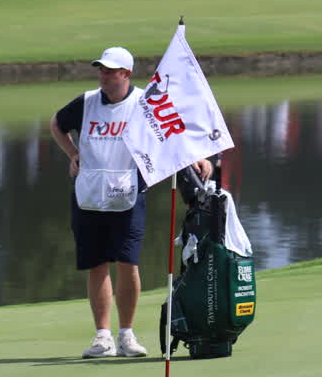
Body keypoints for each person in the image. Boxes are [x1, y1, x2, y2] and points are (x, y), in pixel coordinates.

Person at [49, 47, 212, 359]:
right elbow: (56, 124)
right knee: (96, 265)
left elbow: (172, 133)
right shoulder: (86, 102)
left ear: (126, 74)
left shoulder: (144, 103)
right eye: (101, 70)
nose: (103, 75)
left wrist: (197, 158)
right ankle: (102, 337)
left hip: (128, 194)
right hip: (89, 196)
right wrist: (73, 153)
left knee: (127, 264)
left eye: (110, 71)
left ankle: (126, 335)